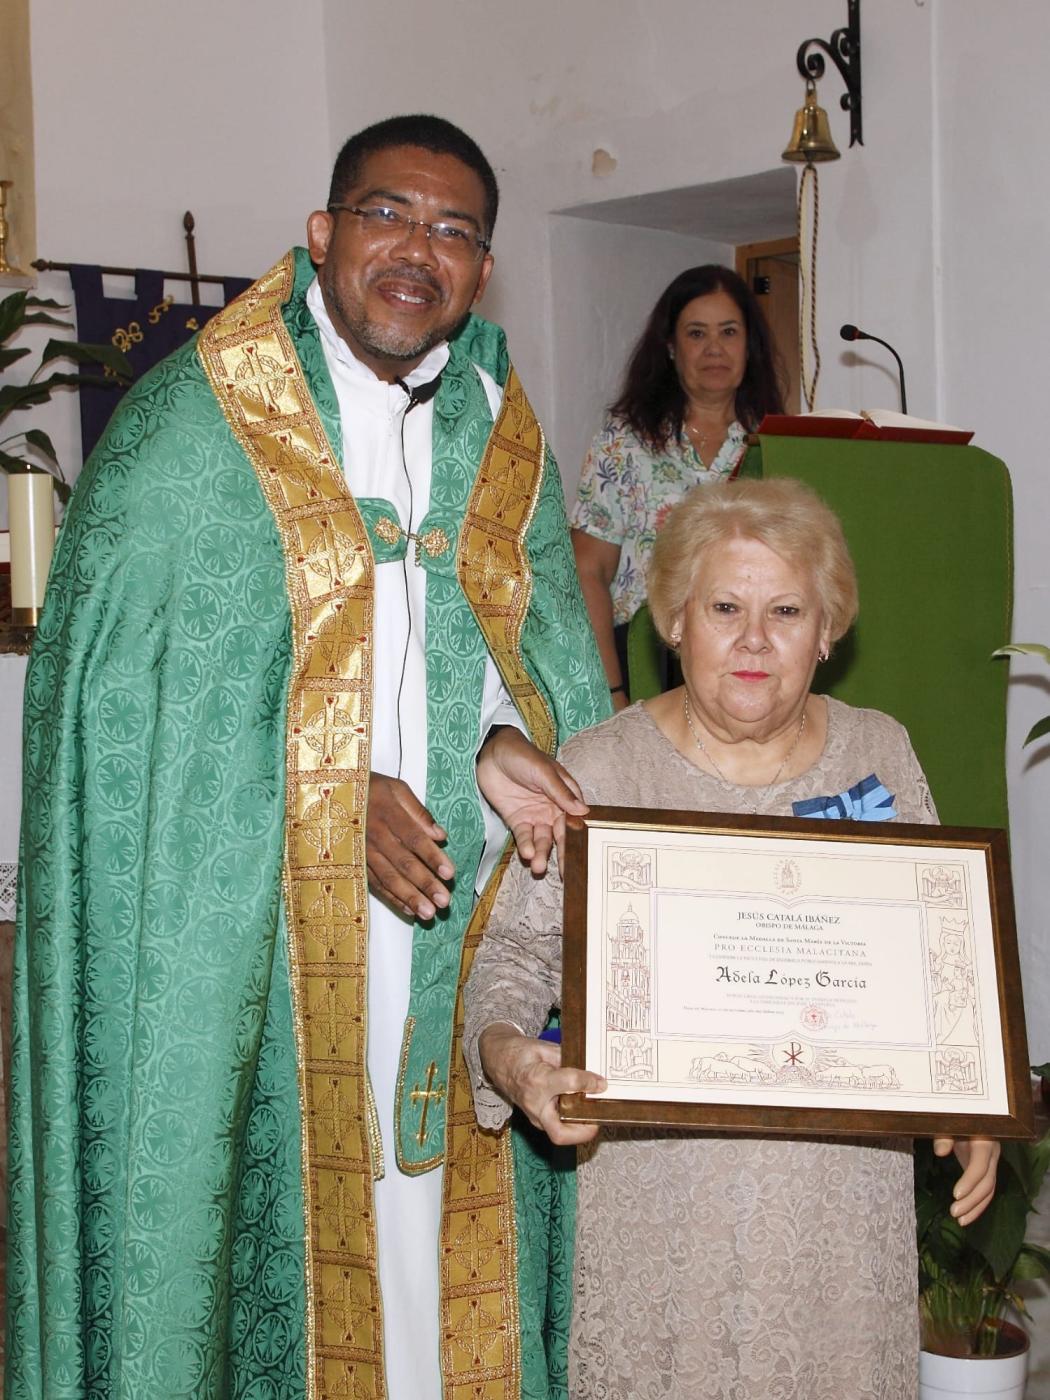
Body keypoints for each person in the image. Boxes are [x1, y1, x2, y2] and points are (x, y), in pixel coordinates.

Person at [6, 116, 610, 1400]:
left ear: (483, 268)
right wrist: (326, 794)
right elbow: (128, 718)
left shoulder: (502, 428)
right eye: (389, 214)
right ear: (324, 235)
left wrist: (504, 738)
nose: (419, 249)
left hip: (454, 918)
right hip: (257, 955)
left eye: (455, 230)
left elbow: (536, 656)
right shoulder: (199, 420)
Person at [465, 477, 999, 1399]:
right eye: (724, 607)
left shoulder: (880, 753)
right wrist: (516, 1063)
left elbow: (940, 961)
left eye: (787, 610)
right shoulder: (600, 769)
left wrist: (972, 1098)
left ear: (828, 632)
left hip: (840, 1218)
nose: (755, 639)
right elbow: (509, 957)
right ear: (674, 622)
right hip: (660, 1218)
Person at [570, 265, 785, 708]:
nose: (714, 349)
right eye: (696, 334)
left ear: (749, 346)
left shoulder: (780, 446)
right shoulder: (625, 442)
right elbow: (588, 570)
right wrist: (612, 689)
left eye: (728, 332)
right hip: (646, 658)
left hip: (749, 659)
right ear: (670, 347)